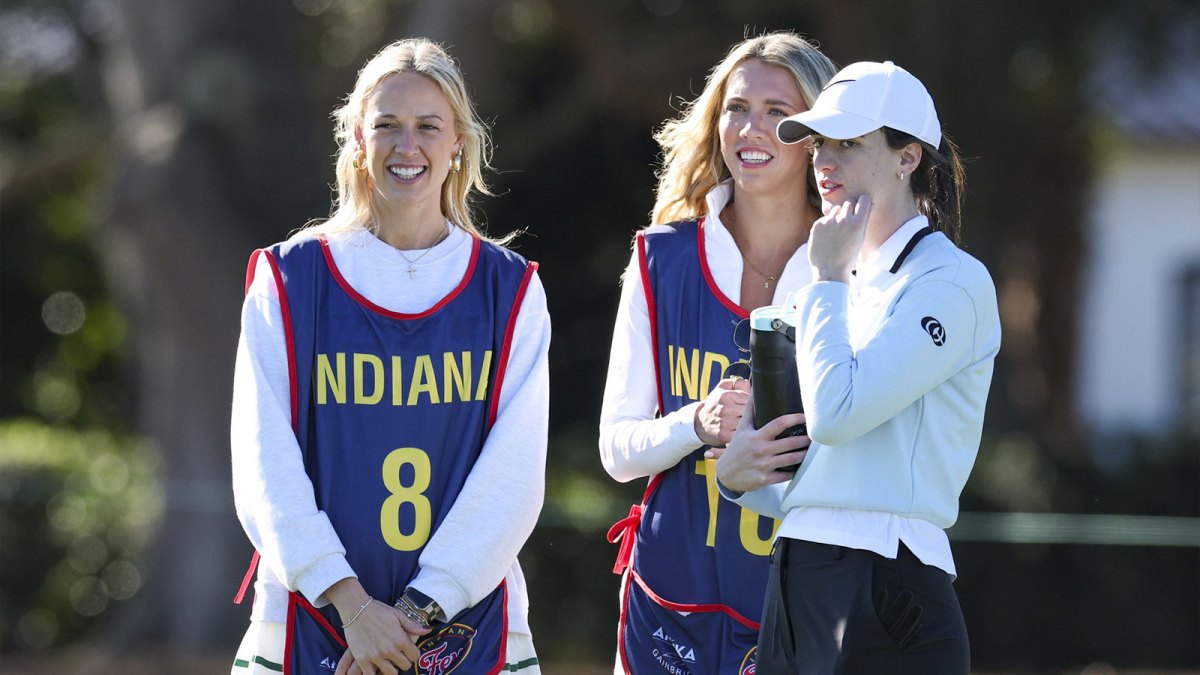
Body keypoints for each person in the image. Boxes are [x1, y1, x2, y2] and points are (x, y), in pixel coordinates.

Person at [229, 38, 549, 675]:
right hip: (309, 621)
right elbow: (265, 465)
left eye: (429, 126)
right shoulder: (289, 279)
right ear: (356, 135)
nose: (409, 146)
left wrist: (414, 615)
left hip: (469, 628)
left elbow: (512, 481)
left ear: (459, 139)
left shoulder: (509, 288)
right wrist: (353, 608)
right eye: (387, 126)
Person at [715, 61, 1001, 673]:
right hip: (796, 573)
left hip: (888, 582)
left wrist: (823, 280)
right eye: (819, 143)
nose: (823, 160)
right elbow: (809, 476)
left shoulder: (951, 282)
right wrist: (738, 479)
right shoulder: (827, 283)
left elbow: (839, 416)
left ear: (908, 158)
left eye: (847, 143)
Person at [598, 32, 837, 673]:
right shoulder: (659, 256)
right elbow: (616, 449)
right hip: (666, 604)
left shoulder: (854, 272)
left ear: (816, 133)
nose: (751, 128)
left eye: (777, 112)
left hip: (800, 604)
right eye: (737, 108)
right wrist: (697, 424)